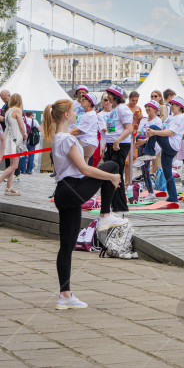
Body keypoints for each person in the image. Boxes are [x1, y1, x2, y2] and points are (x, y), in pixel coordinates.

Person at [44, 99, 128, 310]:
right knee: (111, 165)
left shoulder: (57, 138)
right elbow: (85, 170)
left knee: (67, 246)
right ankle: (105, 215)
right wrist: (111, 177)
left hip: (64, 193)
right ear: (66, 116)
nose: (76, 114)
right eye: (74, 112)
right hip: (71, 189)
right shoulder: (67, 140)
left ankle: (65, 294)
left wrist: (109, 178)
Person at [141, 97, 184, 203]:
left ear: (180, 107)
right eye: (171, 104)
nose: (172, 106)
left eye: (174, 104)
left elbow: (170, 132)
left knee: (154, 127)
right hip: (166, 145)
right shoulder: (170, 117)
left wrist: (154, 132)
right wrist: (149, 137)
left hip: (171, 144)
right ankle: (173, 197)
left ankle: (149, 153)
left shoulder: (180, 117)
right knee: (167, 173)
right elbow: (162, 132)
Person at [104, 85, 133, 213]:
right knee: (110, 174)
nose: (107, 97)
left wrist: (118, 140)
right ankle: (114, 204)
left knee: (116, 174)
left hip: (119, 144)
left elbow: (129, 128)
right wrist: (105, 144)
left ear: (115, 96)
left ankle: (120, 206)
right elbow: (111, 129)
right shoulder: (114, 110)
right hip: (111, 143)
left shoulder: (123, 109)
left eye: (109, 94)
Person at [1, 93, 26, 194]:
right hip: (16, 141)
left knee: (12, 165)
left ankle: (9, 187)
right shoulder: (17, 110)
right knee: (14, 166)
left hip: (10, 139)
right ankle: (6, 185)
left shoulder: (8, 111)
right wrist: (25, 135)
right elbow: (21, 125)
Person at [70, 93, 99, 164]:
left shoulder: (90, 115)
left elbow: (77, 131)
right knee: (84, 167)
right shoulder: (86, 114)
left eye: (83, 100)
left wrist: (63, 135)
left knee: (66, 148)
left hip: (86, 142)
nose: (81, 101)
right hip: (87, 142)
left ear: (89, 103)